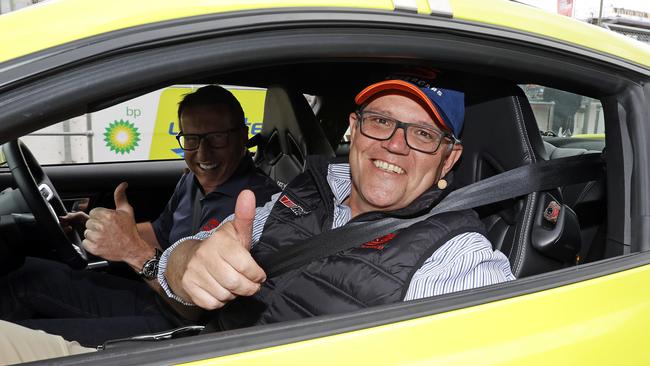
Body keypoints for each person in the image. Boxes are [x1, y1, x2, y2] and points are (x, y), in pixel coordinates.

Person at [0, 73, 515, 364]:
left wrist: (140, 256)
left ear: (448, 159)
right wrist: (182, 263)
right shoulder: (306, 194)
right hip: (198, 339)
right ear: (354, 131)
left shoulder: (459, 257)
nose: (395, 145)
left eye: (423, 134)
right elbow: (194, 252)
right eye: (381, 121)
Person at [0, 85, 280, 345]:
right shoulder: (191, 181)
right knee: (27, 276)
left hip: (186, 326)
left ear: (242, 136)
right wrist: (100, 229)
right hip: (152, 293)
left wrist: (131, 249)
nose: (202, 153)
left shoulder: (257, 206)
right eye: (192, 139)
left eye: (216, 138)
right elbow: (159, 232)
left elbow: (193, 306)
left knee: (22, 338)